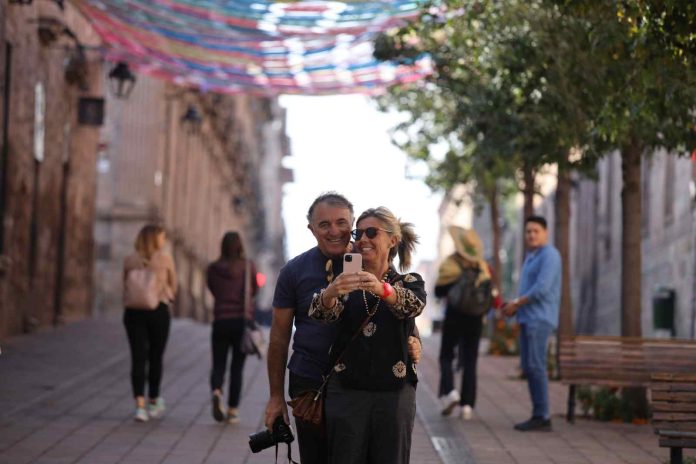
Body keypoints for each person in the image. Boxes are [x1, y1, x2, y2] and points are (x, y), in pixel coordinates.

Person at [264, 193, 421, 464]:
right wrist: (275, 397)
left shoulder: (370, 257)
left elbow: (400, 310)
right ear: (311, 229)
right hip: (310, 381)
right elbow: (279, 336)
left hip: (361, 384)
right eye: (324, 225)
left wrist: (414, 341)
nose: (334, 231)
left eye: (342, 223)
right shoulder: (294, 271)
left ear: (352, 225)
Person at [308, 206, 425, 464]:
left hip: (394, 392)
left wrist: (383, 289)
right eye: (357, 233)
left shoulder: (408, 281)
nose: (362, 239)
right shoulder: (344, 279)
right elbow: (320, 315)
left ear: (392, 240)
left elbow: (413, 305)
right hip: (347, 389)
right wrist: (330, 293)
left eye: (371, 232)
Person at [503, 215, 561, 432]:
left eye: (536, 231)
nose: (532, 235)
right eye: (528, 231)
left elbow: (542, 289)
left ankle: (542, 416)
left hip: (540, 318)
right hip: (527, 318)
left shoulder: (550, 255)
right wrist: (514, 305)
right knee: (529, 366)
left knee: (536, 365)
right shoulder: (531, 256)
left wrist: (517, 303)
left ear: (545, 233)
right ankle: (538, 413)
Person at [435, 226, 497, 420]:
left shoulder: (451, 264)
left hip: (454, 316)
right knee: (470, 360)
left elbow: (438, 292)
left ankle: (450, 392)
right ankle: (467, 406)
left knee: (446, 356)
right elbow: (489, 295)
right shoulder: (482, 267)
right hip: (475, 319)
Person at [123, 224, 177, 422]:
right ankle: (153, 400)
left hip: (133, 312)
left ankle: (139, 406)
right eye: (162, 237)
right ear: (155, 239)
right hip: (158, 311)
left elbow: (124, 284)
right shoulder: (165, 259)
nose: (164, 241)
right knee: (155, 356)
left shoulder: (130, 259)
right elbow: (174, 285)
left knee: (138, 358)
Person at [207, 231, 258, 424]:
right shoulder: (247, 266)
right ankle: (232, 410)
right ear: (239, 246)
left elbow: (212, 289)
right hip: (241, 322)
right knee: (237, 367)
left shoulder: (213, 268)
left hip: (220, 320)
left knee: (218, 363)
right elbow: (254, 290)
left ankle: (217, 390)